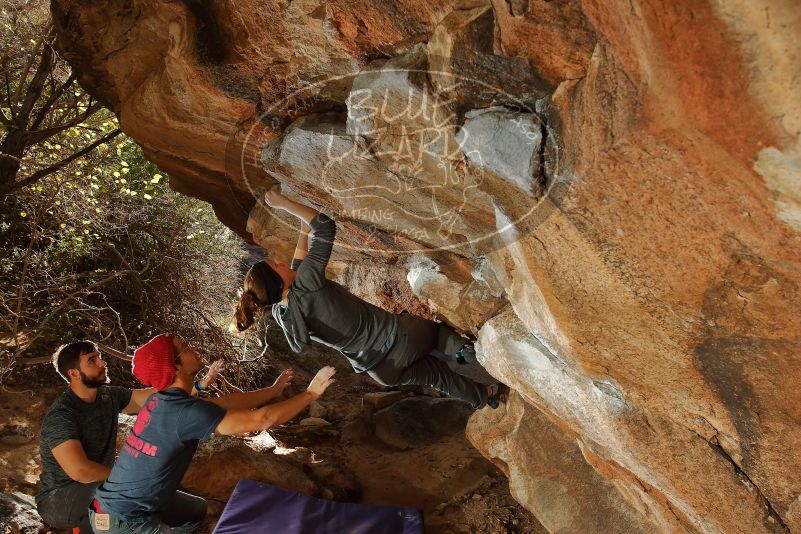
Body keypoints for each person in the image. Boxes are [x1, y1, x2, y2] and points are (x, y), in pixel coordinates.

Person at [234, 188, 506, 409]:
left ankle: (487, 395)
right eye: (276, 265)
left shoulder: (285, 314)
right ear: (278, 280)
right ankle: (465, 352)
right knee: (434, 333)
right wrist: (284, 204)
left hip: (380, 370)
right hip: (401, 338)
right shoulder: (306, 282)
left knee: (437, 376)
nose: (281, 262)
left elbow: (297, 261)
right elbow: (325, 227)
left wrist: (304, 226)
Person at [90, 333, 336, 533]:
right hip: (122, 521)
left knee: (197, 512)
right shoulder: (182, 412)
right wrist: (310, 395)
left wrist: (273, 391)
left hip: (106, 507)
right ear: (175, 366)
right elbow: (262, 419)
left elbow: (227, 403)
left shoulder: (163, 401)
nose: (193, 346)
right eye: (185, 346)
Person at [36, 340, 221, 533]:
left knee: (196, 510)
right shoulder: (62, 415)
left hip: (111, 485)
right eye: (92, 360)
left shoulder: (109, 396)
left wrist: (198, 384)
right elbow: (80, 471)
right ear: (73, 373)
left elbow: (161, 397)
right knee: (123, 499)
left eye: (99, 356)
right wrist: (130, 478)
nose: (102, 363)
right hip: (58, 499)